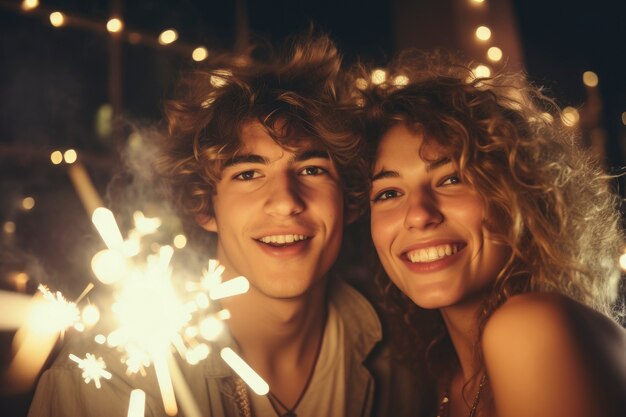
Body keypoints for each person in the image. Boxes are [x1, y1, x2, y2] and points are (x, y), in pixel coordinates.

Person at [28, 34, 422, 417]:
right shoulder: (110, 380)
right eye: (248, 174)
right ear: (205, 207)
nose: (286, 201)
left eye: (312, 169)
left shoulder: (404, 359)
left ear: (349, 198)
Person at [351, 51, 626, 417]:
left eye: (452, 179)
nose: (418, 215)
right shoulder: (444, 377)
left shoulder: (530, 327)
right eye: (388, 193)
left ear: (517, 194)